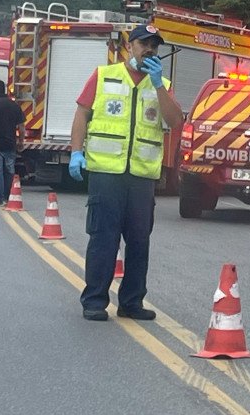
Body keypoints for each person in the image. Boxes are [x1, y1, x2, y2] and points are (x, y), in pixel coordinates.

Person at [69, 24, 184, 322]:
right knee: (103, 239)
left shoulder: (163, 84)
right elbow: (82, 112)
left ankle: (131, 302)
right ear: (129, 46)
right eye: (143, 44)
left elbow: (174, 121)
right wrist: (76, 152)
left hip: (142, 177)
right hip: (106, 174)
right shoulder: (104, 75)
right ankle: (94, 301)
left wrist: (158, 85)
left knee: (138, 241)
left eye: (154, 46)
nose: (149, 50)